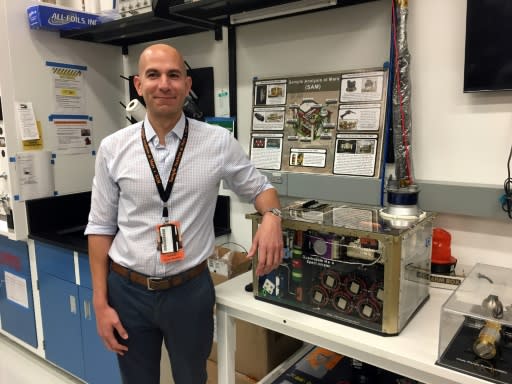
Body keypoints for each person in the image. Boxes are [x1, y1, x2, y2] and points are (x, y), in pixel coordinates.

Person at [85, 43, 283, 384]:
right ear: (138, 85)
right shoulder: (113, 148)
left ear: (187, 86)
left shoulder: (217, 143)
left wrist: (272, 217)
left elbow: (261, 189)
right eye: (154, 75)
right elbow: (100, 227)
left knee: (192, 379)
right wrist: (100, 303)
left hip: (189, 292)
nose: (164, 84)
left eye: (174, 75)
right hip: (127, 291)